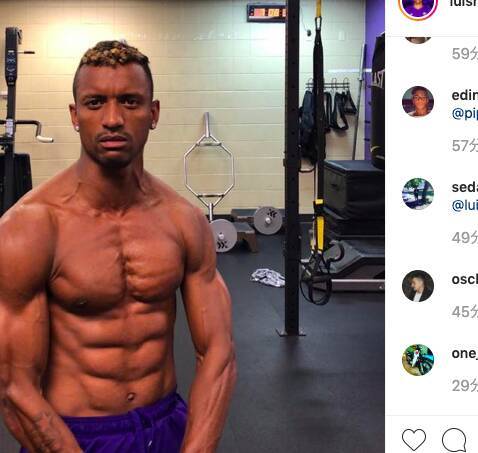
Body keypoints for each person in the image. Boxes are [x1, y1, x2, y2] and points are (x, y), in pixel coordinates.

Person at [0, 41, 237, 453]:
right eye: (95, 103)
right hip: (70, 436)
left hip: (167, 426)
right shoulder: (30, 228)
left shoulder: (183, 220)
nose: (112, 119)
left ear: (153, 113)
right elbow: (14, 386)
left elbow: (218, 353)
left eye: (130, 101)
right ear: (75, 115)